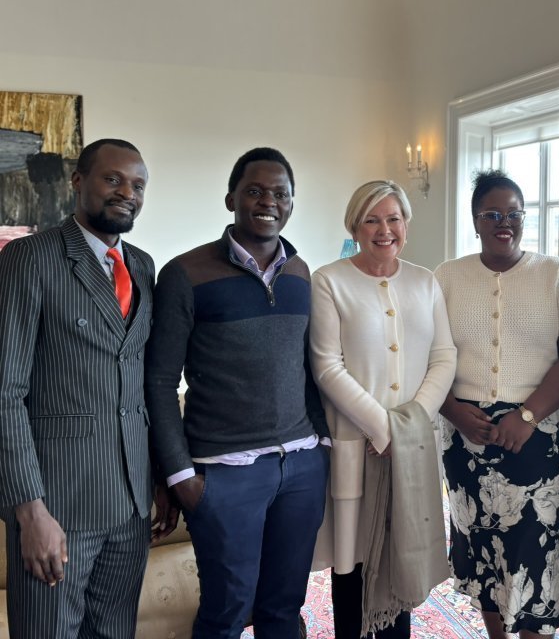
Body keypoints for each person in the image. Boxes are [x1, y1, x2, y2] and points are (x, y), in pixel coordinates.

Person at [144, 147, 330, 639]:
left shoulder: (300, 274)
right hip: (224, 474)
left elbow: (309, 367)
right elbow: (160, 381)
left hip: (301, 468)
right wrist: (181, 475)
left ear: (292, 203)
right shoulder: (185, 274)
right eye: (255, 191)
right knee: (226, 612)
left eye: (280, 193)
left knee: (284, 608)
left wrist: (323, 446)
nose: (269, 201)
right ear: (231, 199)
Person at [0, 138, 174, 639]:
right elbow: (5, 393)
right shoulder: (30, 258)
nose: (128, 193)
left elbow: (142, 382)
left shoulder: (142, 265)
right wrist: (30, 511)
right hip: (59, 505)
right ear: (78, 181)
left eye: (138, 185)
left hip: (131, 504)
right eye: (113, 179)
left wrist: (159, 478)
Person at [435, 169, 559, 639]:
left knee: (534, 553)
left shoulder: (556, 274)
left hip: (537, 437)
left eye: (514, 213)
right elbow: (427, 353)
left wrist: (527, 416)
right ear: (475, 220)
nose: (504, 222)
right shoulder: (447, 277)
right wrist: (452, 410)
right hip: (466, 436)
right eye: (492, 214)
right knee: (480, 548)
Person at [310, 180, 456, 639]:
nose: (384, 229)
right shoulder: (329, 280)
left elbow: (444, 357)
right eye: (371, 220)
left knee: (404, 554)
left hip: (414, 447)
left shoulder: (425, 282)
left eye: (393, 219)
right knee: (353, 561)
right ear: (354, 226)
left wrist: (410, 427)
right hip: (356, 445)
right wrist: (384, 430)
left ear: (406, 225)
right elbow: (326, 365)